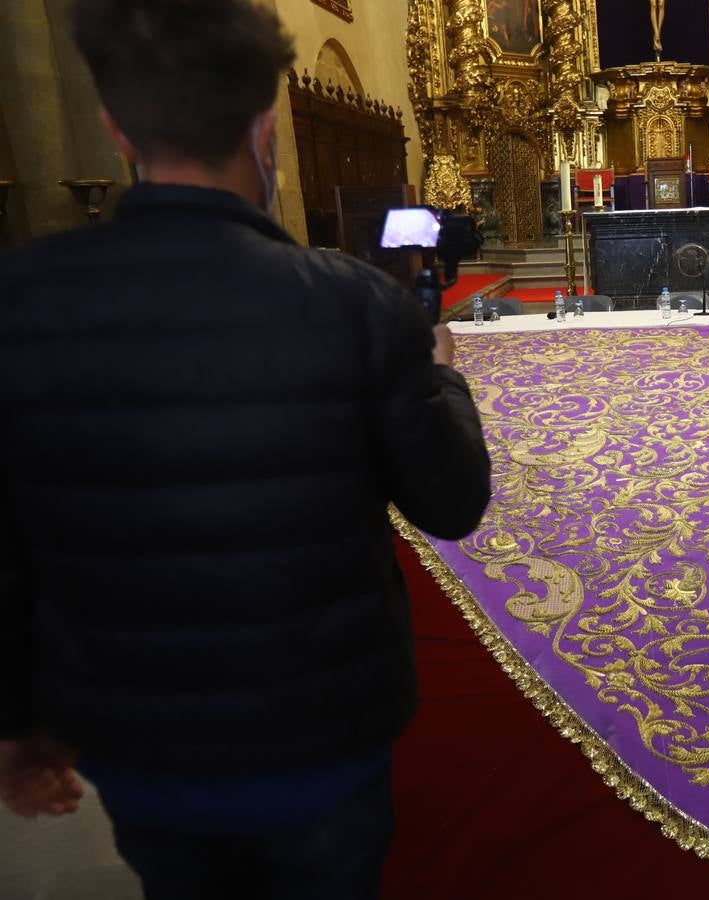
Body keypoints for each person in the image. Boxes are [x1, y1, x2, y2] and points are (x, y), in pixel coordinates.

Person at [0, 2, 492, 898]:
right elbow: (452, 504)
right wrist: (442, 374)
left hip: (136, 735)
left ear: (116, 129)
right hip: (325, 729)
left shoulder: (17, 300)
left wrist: (14, 723)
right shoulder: (356, 305)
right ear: (266, 129)